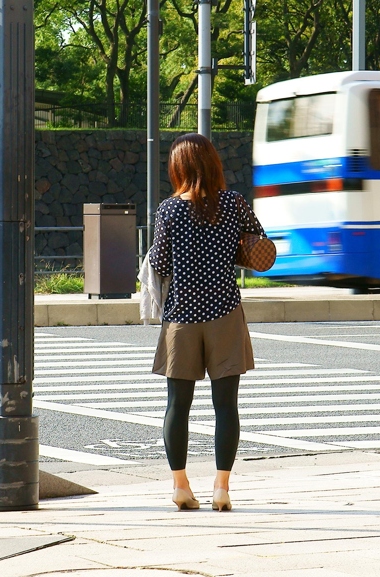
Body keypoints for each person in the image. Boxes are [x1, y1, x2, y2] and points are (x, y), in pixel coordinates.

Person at [148, 133, 263, 511]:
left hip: (181, 316)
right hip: (225, 313)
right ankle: (222, 489)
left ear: (178, 168)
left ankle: (181, 485)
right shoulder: (233, 203)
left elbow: (160, 264)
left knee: (176, 405)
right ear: (213, 163)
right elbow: (258, 245)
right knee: (226, 405)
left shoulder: (168, 210)